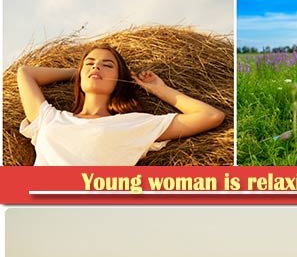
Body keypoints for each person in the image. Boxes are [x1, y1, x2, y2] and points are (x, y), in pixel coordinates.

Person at [16, 42, 225, 166]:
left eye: (107, 65)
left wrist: (160, 89)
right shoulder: (50, 118)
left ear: (119, 79)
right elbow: (25, 73)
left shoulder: (132, 124)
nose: (96, 67)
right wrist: (77, 72)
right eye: (90, 63)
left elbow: (210, 116)